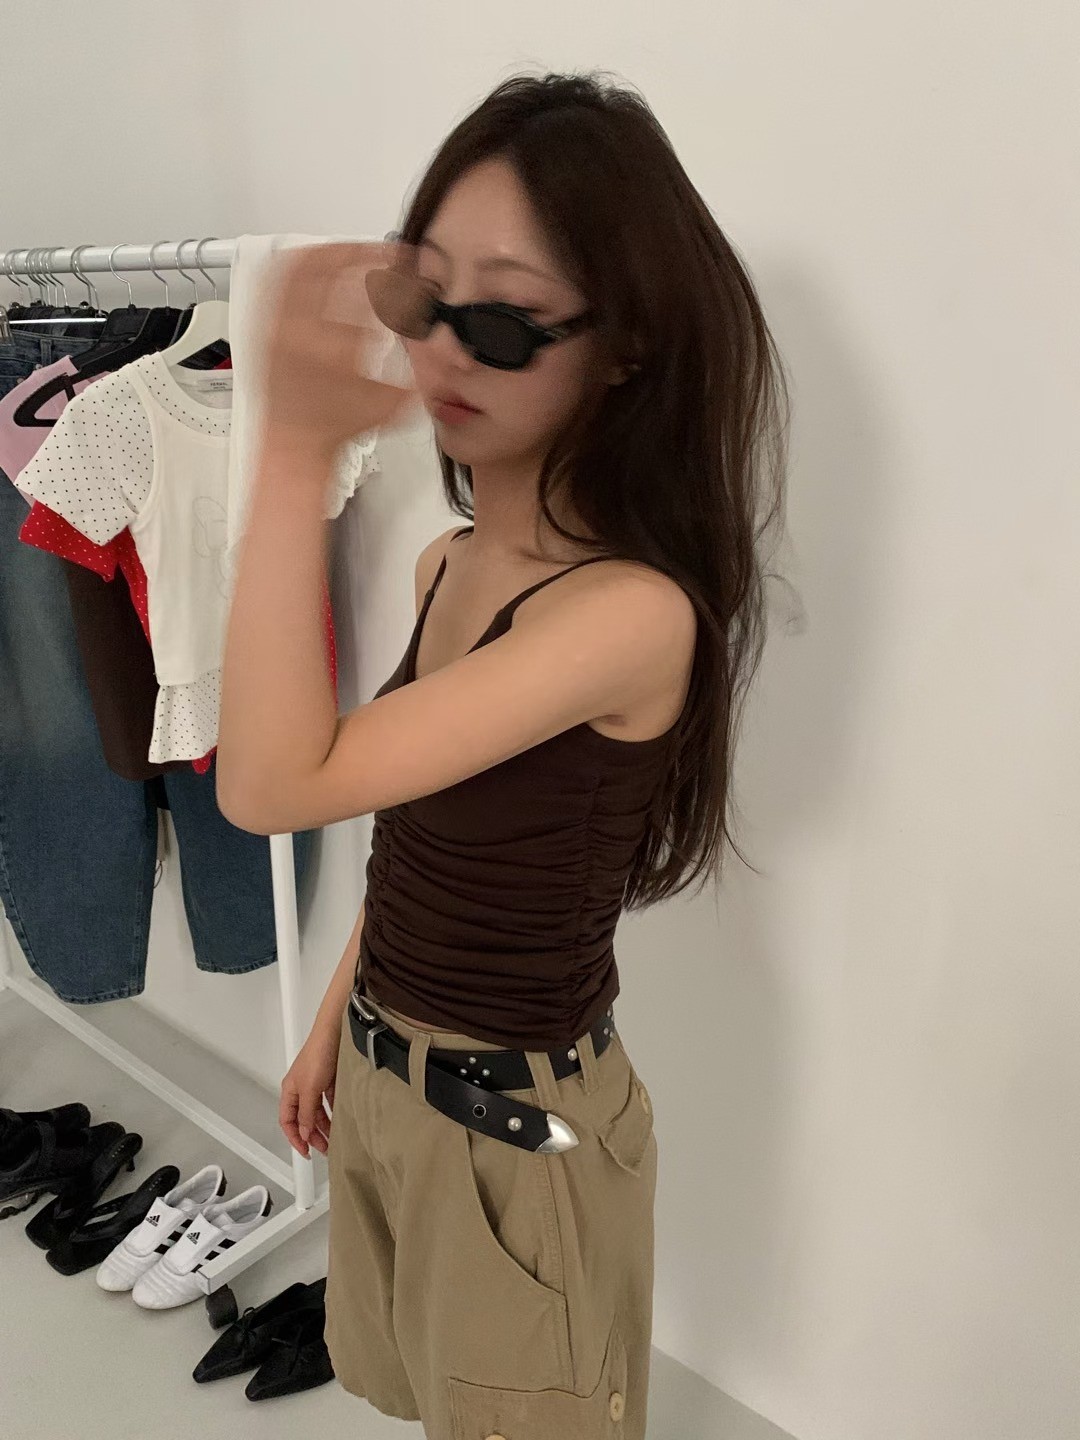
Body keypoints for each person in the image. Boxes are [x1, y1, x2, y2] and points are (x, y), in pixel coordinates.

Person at [217, 69, 789, 1440]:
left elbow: (270, 785)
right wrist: (339, 1019)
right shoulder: (449, 561)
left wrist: (289, 444)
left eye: (501, 320)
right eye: (423, 301)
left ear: (626, 345)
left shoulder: (627, 617)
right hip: (392, 1086)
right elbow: (414, 836)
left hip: (512, 1140)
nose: (442, 354)